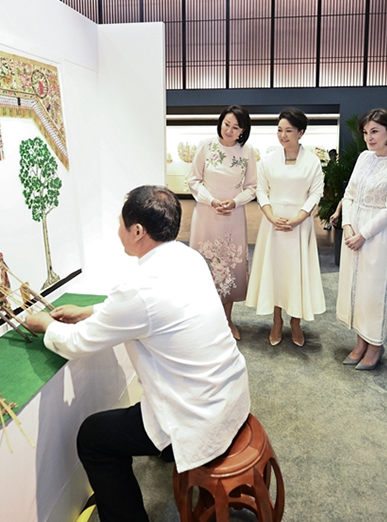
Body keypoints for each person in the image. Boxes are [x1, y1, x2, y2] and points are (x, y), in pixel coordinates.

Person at [24, 185, 250, 522]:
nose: (118, 231)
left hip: (196, 415)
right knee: (127, 420)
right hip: (230, 393)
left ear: (138, 231)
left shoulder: (138, 288)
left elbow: (77, 344)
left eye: (121, 224)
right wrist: (90, 311)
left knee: (93, 437)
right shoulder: (188, 257)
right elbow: (152, 313)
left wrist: (45, 325)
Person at [336, 108, 387, 370]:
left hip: (377, 235)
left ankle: (376, 345)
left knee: (374, 291)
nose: (369, 137)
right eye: (366, 132)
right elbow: (349, 194)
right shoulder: (363, 157)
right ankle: (360, 342)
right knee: (354, 288)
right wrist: (347, 226)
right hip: (353, 232)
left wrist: (363, 234)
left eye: (375, 131)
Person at [246, 108, 326, 347]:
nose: (283, 135)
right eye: (280, 130)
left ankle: (296, 322)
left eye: (289, 130)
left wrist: (299, 218)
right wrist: (270, 216)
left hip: (299, 226)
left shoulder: (312, 162)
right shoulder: (269, 159)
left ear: (301, 132)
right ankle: (277, 320)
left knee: (296, 273)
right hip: (274, 224)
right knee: (276, 272)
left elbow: (316, 193)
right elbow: (261, 189)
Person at [188, 105, 257, 340]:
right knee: (204, 268)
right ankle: (204, 322)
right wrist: (212, 200)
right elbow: (194, 181)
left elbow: (252, 188)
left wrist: (235, 202)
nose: (229, 130)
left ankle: (227, 321)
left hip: (233, 218)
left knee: (230, 268)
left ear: (243, 130)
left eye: (235, 127)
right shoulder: (206, 146)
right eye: (226, 124)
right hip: (207, 215)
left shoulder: (247, 152)